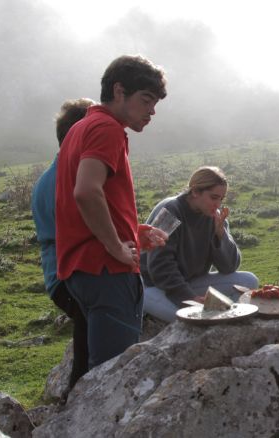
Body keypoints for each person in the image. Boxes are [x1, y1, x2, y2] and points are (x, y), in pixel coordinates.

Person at [55, 54, 168, 370]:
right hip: (106, 270)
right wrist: (116, 246)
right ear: (119, 91)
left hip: (82, 269)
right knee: (113, 375)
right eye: (146, 100)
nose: (152, 111)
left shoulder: (81, 127)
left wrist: (132, 233)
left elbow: (89, 196)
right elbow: (87, 191)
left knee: (97, 370)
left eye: (155, 103)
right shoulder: (108, 128)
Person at [31, 97, 95, 393]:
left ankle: (75, 398)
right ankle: (78, 399)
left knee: (87, 346)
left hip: (61, 277)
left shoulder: (53, 176)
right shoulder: (67, 180)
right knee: (90, 350)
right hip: (71, 277)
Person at [140, 166, 259, 321]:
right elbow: (159, 266)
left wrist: (220, 235)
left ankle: (226, 324)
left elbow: (229, 267)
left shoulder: (213, 217)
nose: (218, 204)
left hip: (190, 281)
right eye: (213, 197)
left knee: (249, 281)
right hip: (152, 286)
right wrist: (189, 298)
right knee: (192, 320)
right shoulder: (170, 210)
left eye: (221, 199)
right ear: (195, 192)